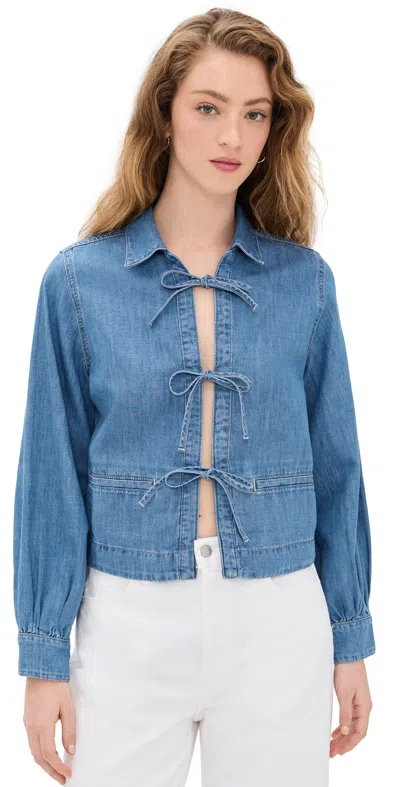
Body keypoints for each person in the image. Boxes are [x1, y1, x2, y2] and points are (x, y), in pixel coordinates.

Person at [14, 8, 375, 786]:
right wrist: (43, 656)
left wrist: (350, 636)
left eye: (255, 114)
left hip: (279, 617)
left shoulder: (305, 283)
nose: (232, 136)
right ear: (165, 113)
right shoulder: (78, 282)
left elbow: (338, 468)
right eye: (208, 108)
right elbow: (51, 474)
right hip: (128, 620)